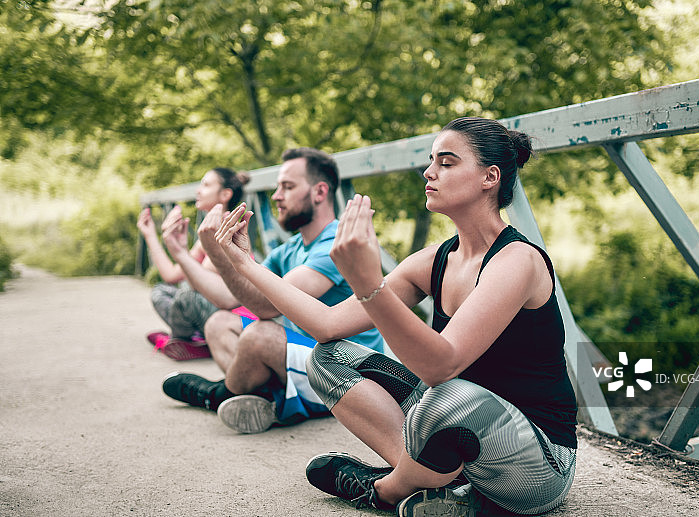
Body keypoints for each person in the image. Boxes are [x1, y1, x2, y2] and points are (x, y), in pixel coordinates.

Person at [213, 117, 578, 515]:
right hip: (453, 429)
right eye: (431, 161)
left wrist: (368, 283)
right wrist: (246, 264)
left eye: (446, 162)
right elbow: (326, 325)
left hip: (539, 465)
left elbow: (442, 366)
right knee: (328, 356)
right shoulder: (434, 260)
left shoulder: (517, 261)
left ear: (490, 177)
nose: (429, 172)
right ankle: (441, 485)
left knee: (447, 398)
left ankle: (383, 489)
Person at [161, 147, 384, 433]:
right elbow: (230, 297)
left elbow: (266, 307)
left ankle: (217, 395)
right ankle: (264, 401)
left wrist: (219, 253)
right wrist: (182, 254)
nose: (276, 196)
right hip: (303, 358)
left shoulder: (336, 244)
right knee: (219, 323)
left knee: (260, 335)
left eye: (287, 187)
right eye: (278, 187)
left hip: (345, 371)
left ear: (319, 192)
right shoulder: (290, 249)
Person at [137, 168, 250, 359]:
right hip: (208, 307)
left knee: (186, 297)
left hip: (232, 315)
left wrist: (180, 252)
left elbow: (198, 284)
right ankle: (196, 341)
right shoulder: (207, 231)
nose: (198, 190)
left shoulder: (229, 228)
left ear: (225, 194)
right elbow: (171, 275)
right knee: (160, 291)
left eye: (206, 185)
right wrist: (151, 236)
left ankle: (191, 341)